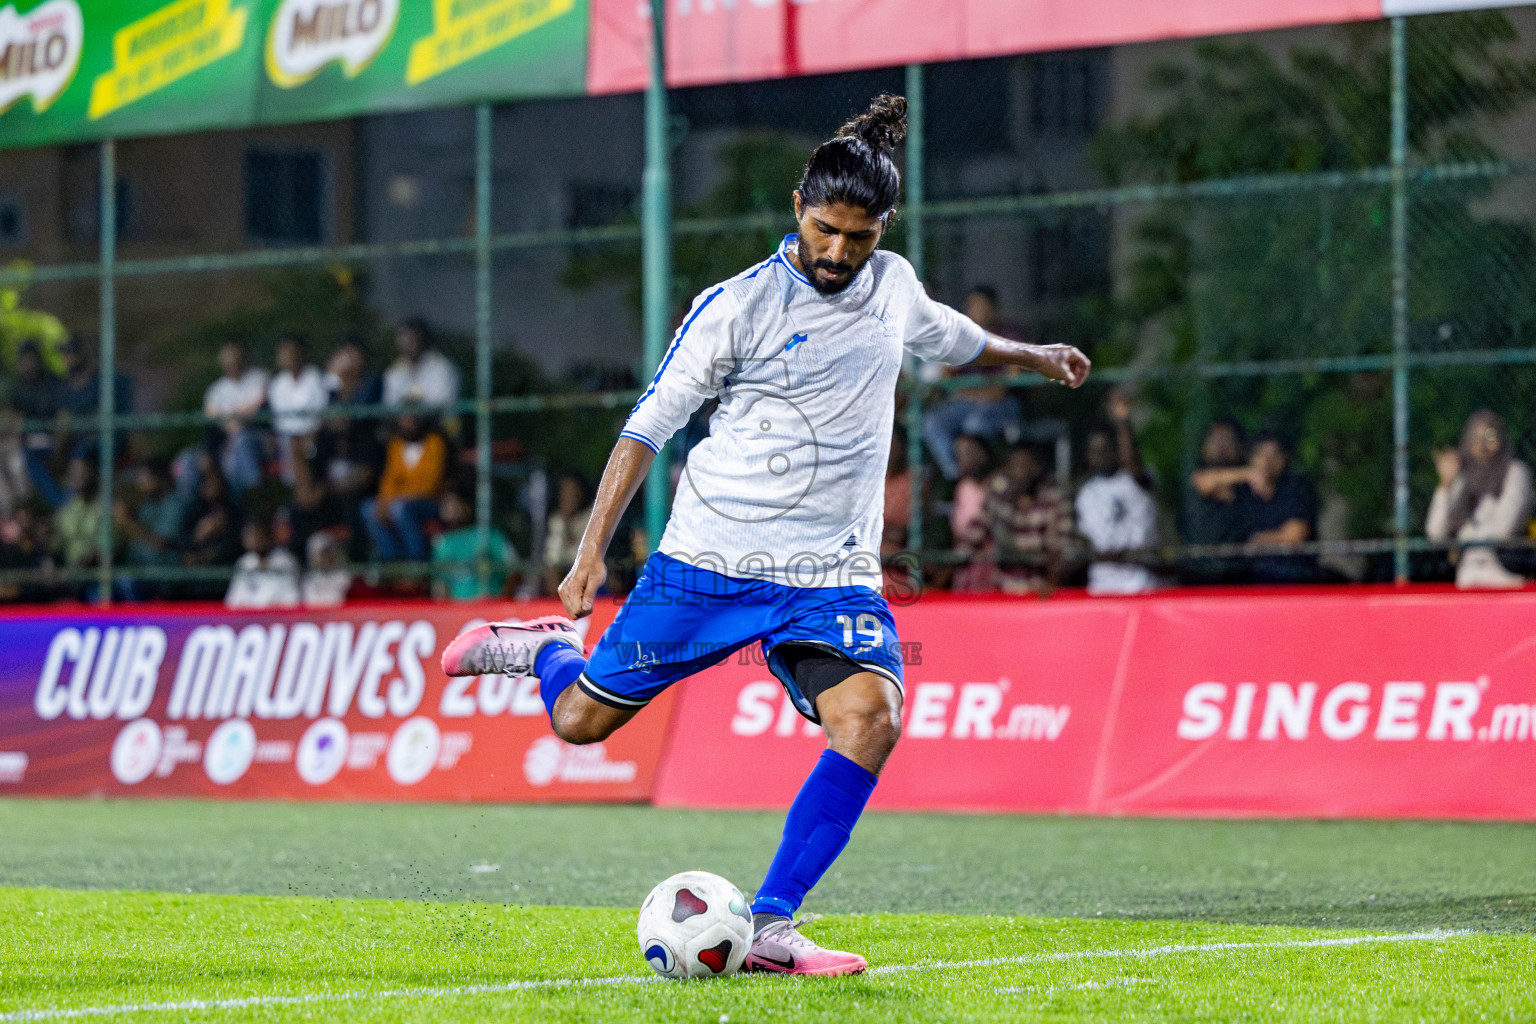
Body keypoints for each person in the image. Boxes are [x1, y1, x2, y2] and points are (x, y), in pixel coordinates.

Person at [440, 95, 1090, 975]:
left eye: (857, 237)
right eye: (824, 230)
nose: (837, 252)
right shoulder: (735, 307)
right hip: (709, 563)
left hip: (832, 576)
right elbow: (646, 428)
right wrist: (592, 550)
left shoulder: (892, 284)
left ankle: (774, 926)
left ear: (882, 227)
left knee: (872, 718)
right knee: (580, 721)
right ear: (798, 208)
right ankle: (544, 651)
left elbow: (956, 339)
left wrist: (1035, 356)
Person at [921, 286, 1026, 480]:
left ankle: (987, 476)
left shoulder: (1010, 336)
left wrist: (966, 391)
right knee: (932, 423)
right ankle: (957, 476)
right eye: (973, 307)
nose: (978, 312)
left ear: (995, 309)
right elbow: (946, 379)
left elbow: (1002, 389)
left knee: (975, 424)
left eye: (983, 307)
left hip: (1002, 405)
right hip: (966, 404)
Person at [1426, 409, 1533, 589]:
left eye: (1489, 437)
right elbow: (1435, 533)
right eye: (1475, 438)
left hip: (1505, 574)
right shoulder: (1462, 480)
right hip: (1468, 575)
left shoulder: (1515, 473)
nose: (1482, 445)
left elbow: (1503, 529)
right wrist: (1445, 485)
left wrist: (1465, 535)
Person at [955, 444, 1074, 594]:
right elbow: (974, 536)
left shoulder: (1053, 500)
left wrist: (1051, 582)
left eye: (1025, 465)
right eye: (1014, 465)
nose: (1019, 471)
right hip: (1000, 585)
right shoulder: (997, 496)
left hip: (1038, 586)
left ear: (1036, 469)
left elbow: (1060, 550)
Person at [1075, 391, 1159, 595]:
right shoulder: (1086, 493)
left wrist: (1123, 422)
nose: (1101, 455)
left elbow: (1132, 463)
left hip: (1141, 583)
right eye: (1095, 451)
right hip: (1102, 586)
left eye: (1106, 448)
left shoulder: (1136, 479)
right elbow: (1089, 542)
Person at [363, 412, 447, 561]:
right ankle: (391, 559)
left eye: (414, 419)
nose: (410, 423)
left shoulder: (435, 442)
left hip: (429, 502)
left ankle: (416, 560)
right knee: (369, 508)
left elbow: (430, 484)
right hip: (399, 500)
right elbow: (389, 480)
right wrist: (384, 502)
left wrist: (397, 498)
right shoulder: (396, 445)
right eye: (406, 419)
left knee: (400, 508)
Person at [1180, 419, 1250, 585]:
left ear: (1239, 448)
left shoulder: (1248, 491)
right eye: (1214, 440)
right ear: (1204, 448)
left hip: (1240, 576)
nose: (1221, 447)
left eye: (1227, 440)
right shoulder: (1197, 478)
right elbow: (1207, 481)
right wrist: (1252, 474)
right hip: (1198, 577)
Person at [202, 339, 269, 495]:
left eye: (234, 357)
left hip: (258, 436)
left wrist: (231, 418)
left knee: (241, 443)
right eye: (226, 359)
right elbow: (211, 417)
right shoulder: (216, 390)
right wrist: (236, 419)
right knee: (191, 459)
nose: (231, 363)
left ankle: (253, 495)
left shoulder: (260, 378)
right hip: (224, 438)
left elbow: (256, 409)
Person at [432, 489, 519, 600]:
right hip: (458, 612)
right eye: (447, 503)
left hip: (491, 609)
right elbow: (440, 586)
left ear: (467, 506)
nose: (451, 508)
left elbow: (515, 570)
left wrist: (501, 601)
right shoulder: (442, 542)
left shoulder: (489, 534)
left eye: (455, 502)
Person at [266, 334, 329, 485]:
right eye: (283, 352)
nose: (286, 356)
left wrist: (310, 434)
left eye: (290, 351)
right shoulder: (276, 383)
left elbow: (322, 412)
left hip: (314, 436)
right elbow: (280, 420)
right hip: (287, 439)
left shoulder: (316, 377)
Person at [383, 319, 460, 410]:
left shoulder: (442, 367)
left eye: (412, 337)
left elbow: (442, 403)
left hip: (436, 422)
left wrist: (414, 406)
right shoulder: (394, 371)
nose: (407, 342)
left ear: (422, 338)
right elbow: (390, 405)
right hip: (403, 422)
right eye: (403, 338)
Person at [225, 518, 300, 609]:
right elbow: (233, 601)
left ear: (268, 535)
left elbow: (292, 601)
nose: (253, 538)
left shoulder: (286, 562)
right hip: (247, 618)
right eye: (249, 534)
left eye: (257, 534)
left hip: (277, 618)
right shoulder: (244, 562)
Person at [542, 473, 592, 594]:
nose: (568, 496)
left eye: (572, 491)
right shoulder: (556, 520)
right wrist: (565, 520)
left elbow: (582, 554)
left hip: (586, 575)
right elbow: (552, 557)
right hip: (560, 576)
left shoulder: (590, 517)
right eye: (564, 491)